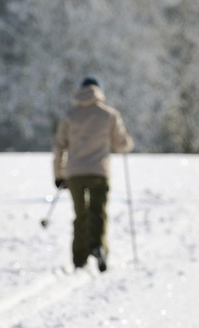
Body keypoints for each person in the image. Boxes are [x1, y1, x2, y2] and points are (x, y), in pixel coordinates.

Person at [52, 77, 134, 272]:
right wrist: (127, 144)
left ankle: (79, 258)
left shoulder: (70, 116)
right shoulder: (109, 115)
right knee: (98, 212)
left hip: (75, 174)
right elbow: (121, 143)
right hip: (99, 172)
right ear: (99, 92)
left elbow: (59, 147)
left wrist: (58, 175)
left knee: (80, 215)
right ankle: (98, 247)